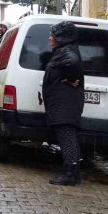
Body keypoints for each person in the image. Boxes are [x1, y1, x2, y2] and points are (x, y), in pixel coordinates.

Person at [42, 21, 85, 186]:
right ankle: (73, 172)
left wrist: (72, 78)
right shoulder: (63, 50)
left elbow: (73, 63)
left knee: (67, 137)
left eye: (52, 35)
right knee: (69, 137)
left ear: (61, 38)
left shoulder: (67, 51)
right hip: (64, 102)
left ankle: (70, 174)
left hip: (65, 103)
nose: (50, 38)